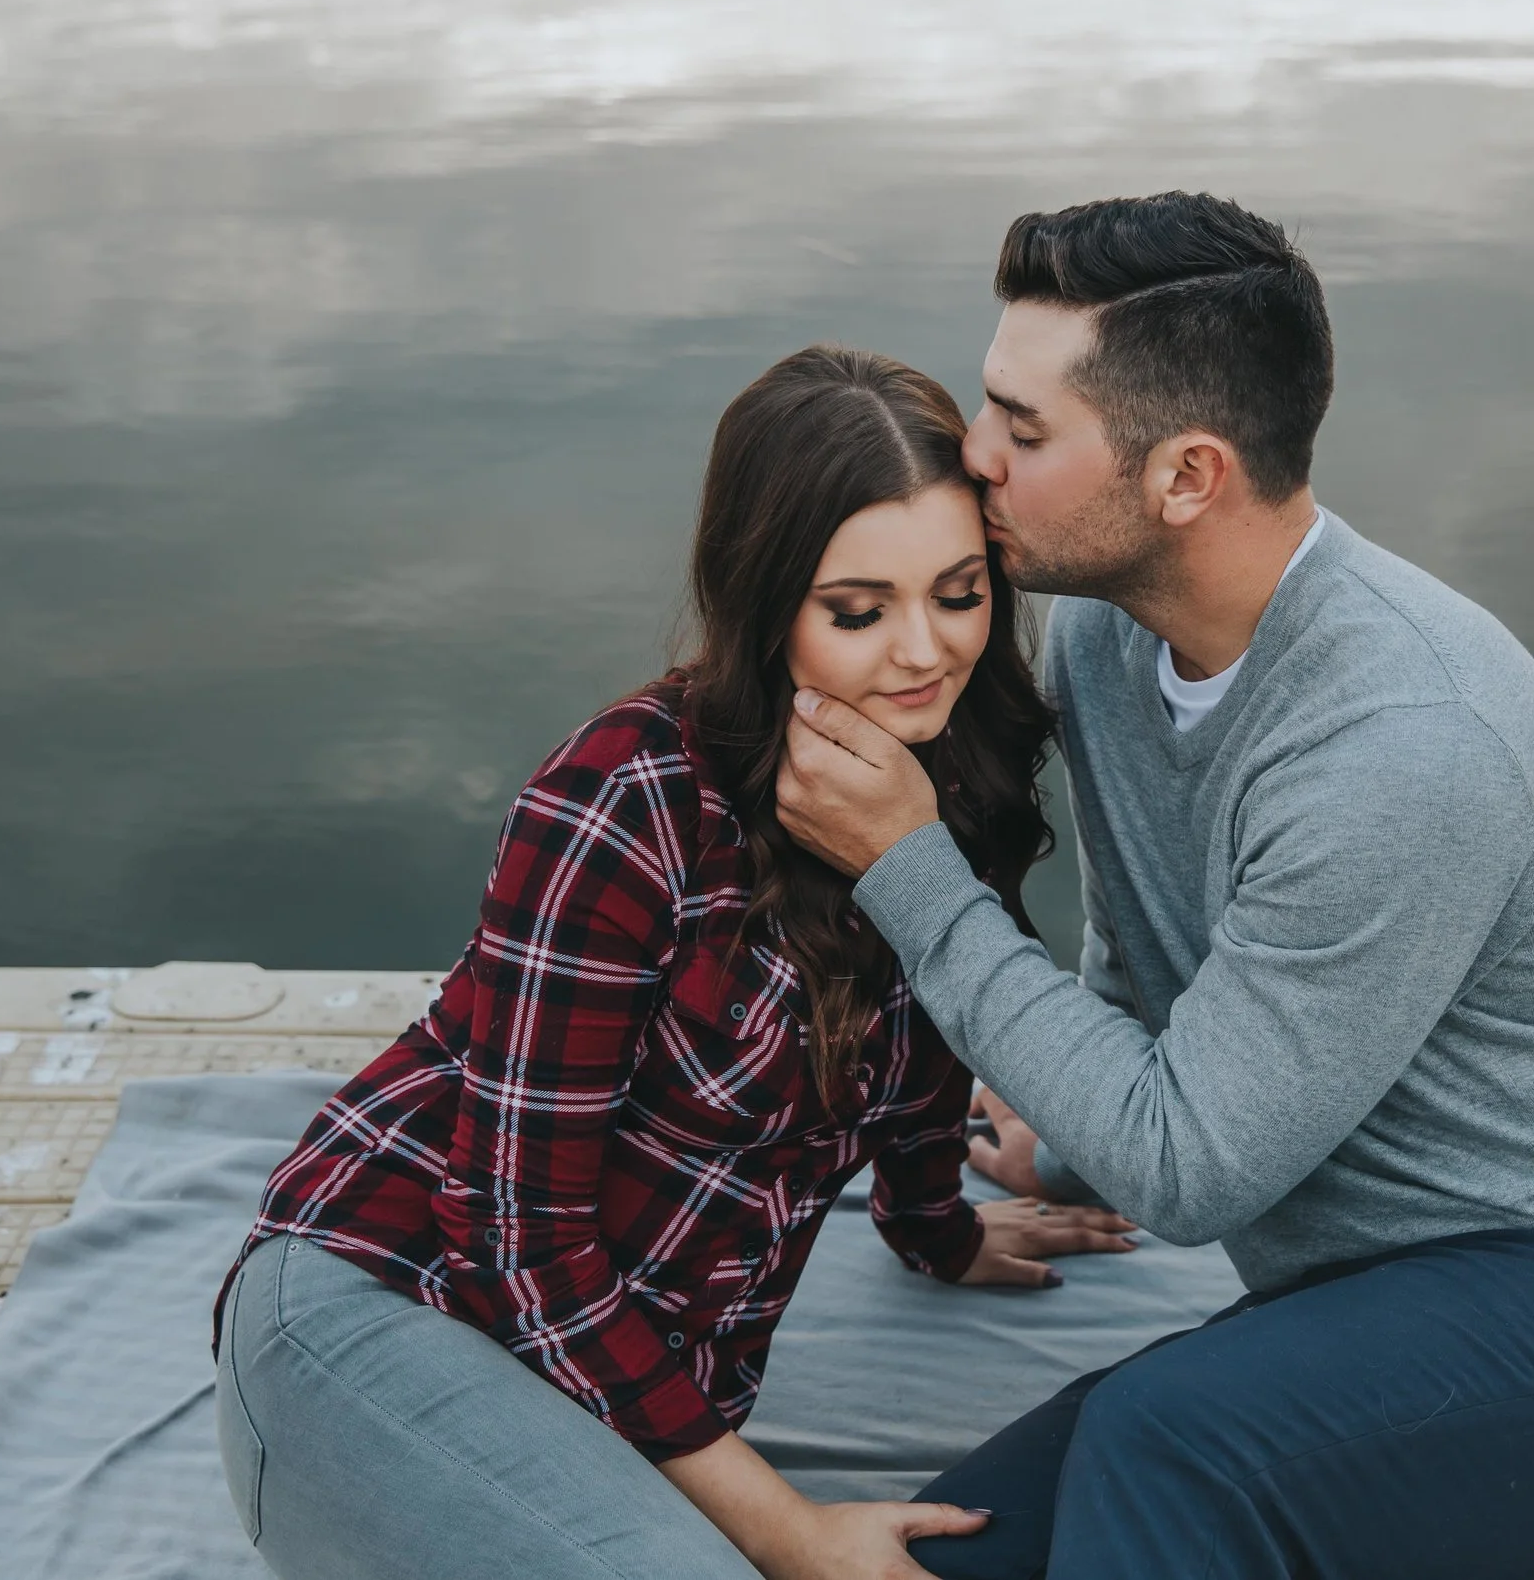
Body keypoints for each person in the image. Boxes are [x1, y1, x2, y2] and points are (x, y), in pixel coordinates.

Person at [774, 194, 1534, 1579]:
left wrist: (910, 870)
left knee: (1167, 1445)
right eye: (990, 406)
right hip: (1365, 1325)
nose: (974, 458)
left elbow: (1190, 1168)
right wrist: (1065, 1142)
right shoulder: (1103, 634)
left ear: (1187, 475)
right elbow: (1144, 972)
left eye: (1025, 431)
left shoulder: (1409, 744)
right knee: (960, 1542)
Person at [212, 345, 1137, 1580]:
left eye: (959, 591)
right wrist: (790, 1531)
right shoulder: (620, 802)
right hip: (392, 1300)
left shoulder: (947, 767)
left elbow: (918, 1025)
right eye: (857, 611)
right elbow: (514, 1229)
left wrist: (936, 1227)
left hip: (605, 1375)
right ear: (766, 602)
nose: (924, 650)